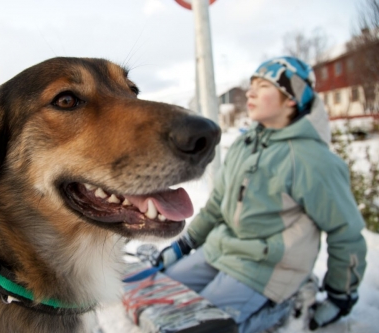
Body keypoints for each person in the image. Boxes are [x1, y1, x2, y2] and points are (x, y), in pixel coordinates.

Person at [156, 56, 367, 333]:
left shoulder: (312, 159)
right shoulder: (245, 143)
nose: (250, 92)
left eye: (263, 86)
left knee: (197, 327)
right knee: (159, 296)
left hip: (266, 268)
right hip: (222, 249)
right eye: (251, 84)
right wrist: (184, 244)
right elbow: (217, 204)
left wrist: (342, 296)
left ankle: (288, 304)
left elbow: (346, 232)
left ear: (291, 99)